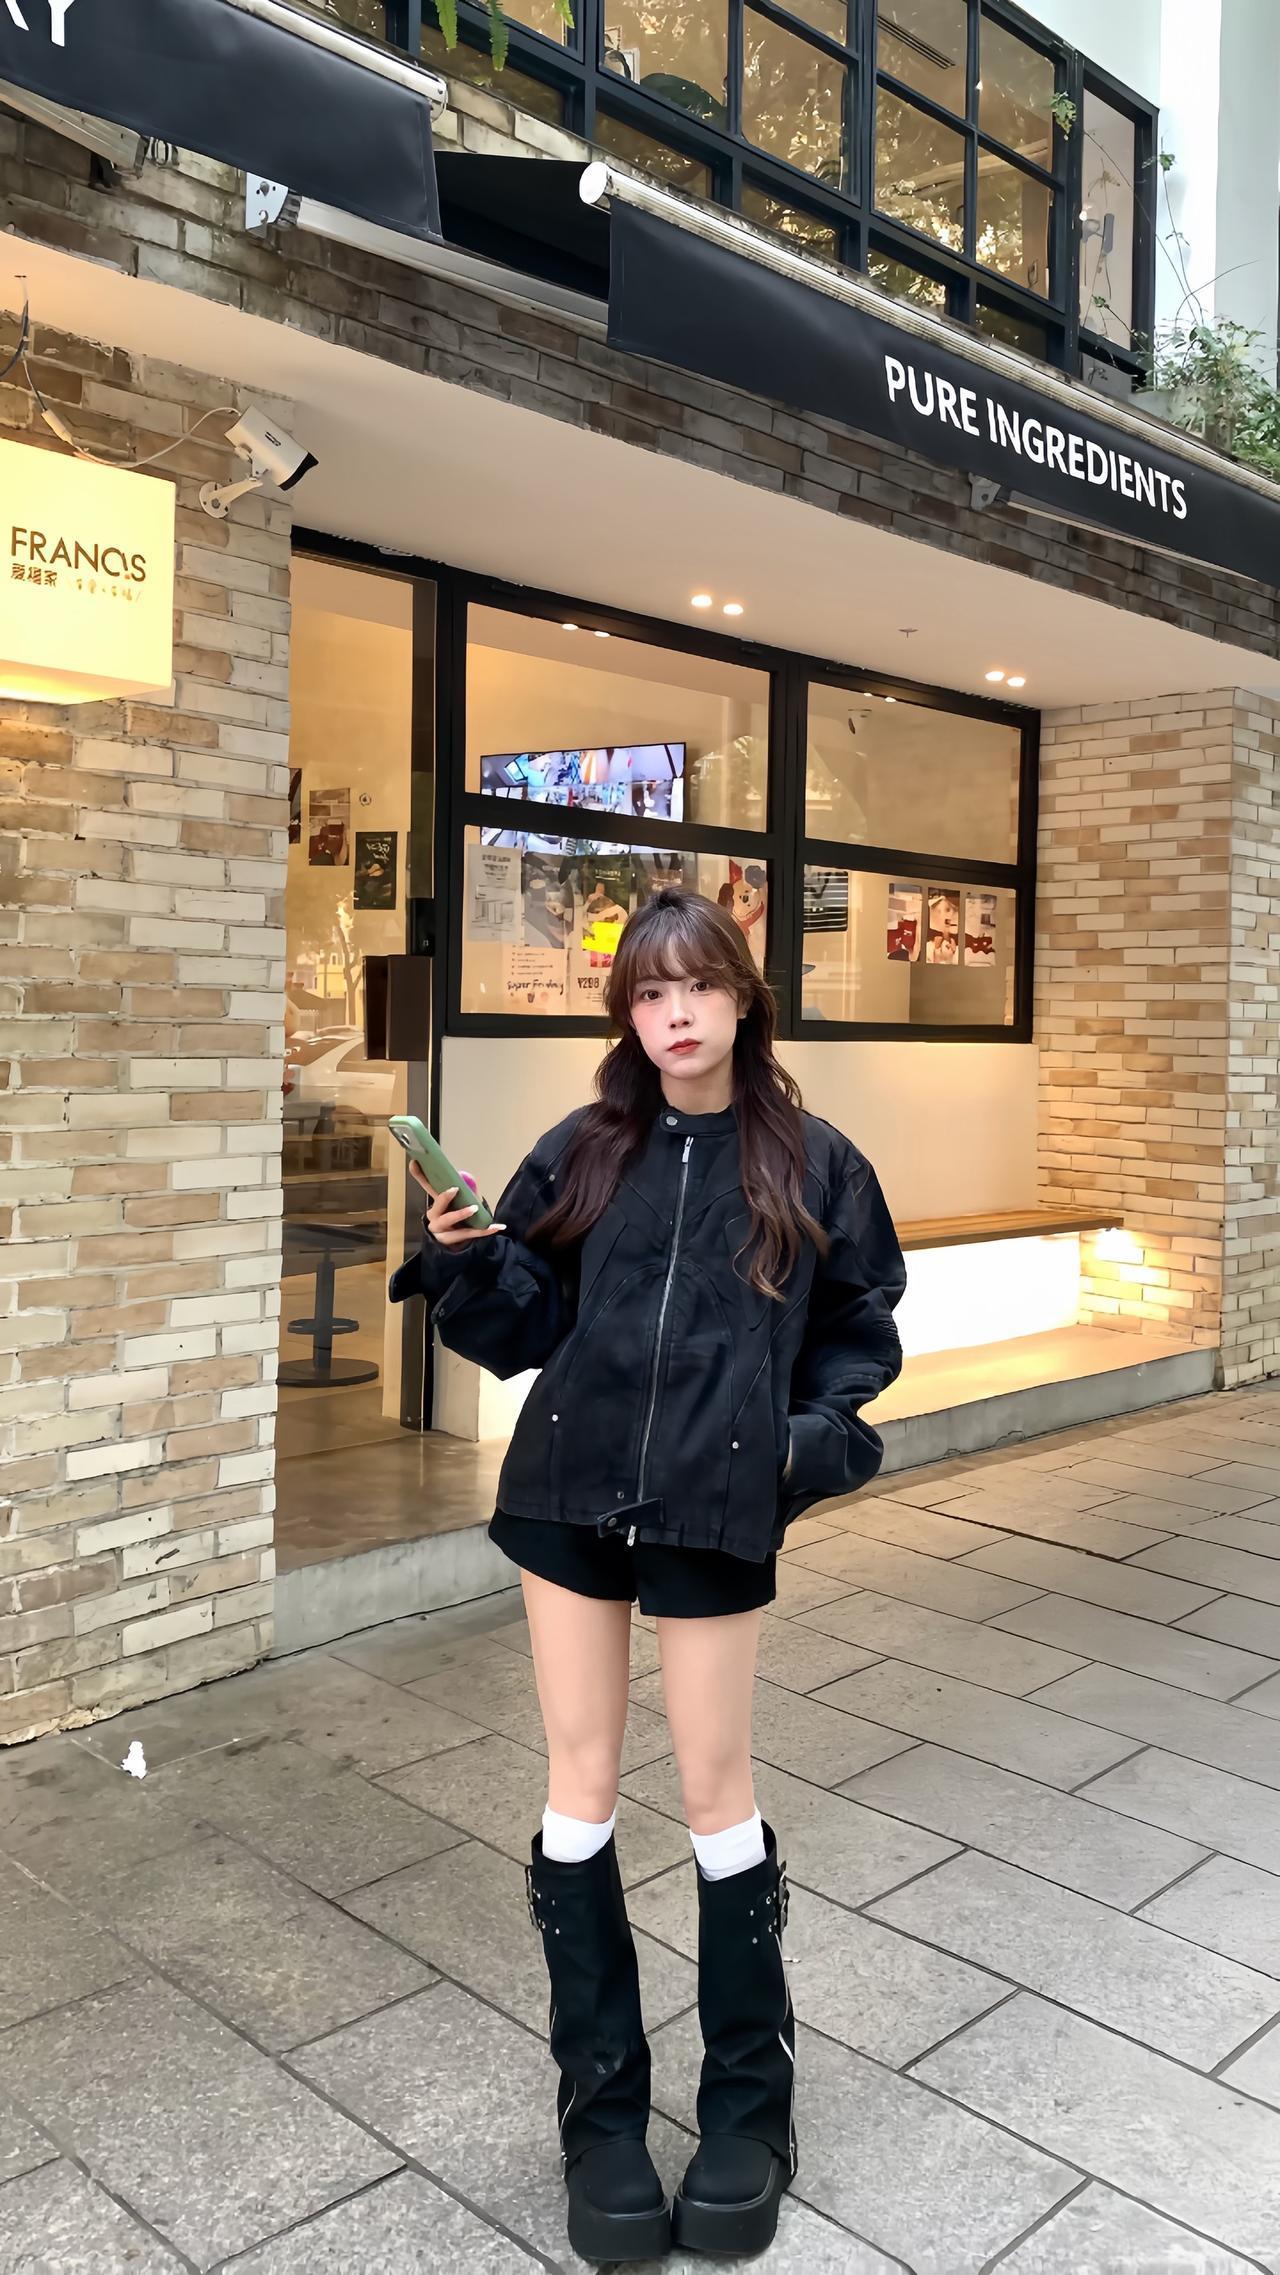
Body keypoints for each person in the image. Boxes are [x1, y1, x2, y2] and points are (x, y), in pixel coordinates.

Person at [390, 888, 905, 2264]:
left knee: (716, 1791)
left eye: (698, 987)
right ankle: (602, 2117)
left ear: (743, 996)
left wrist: (796, 1448)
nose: (675, 1014)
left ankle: (750, 2112)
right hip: (567, 1496)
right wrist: (468, 1261)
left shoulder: (815, 1162)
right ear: (630, 1014)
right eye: (649, 994)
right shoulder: (588, 1146)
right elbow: (526, 1330)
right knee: (580, 1787)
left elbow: (859, 1330)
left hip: (712, 1508)